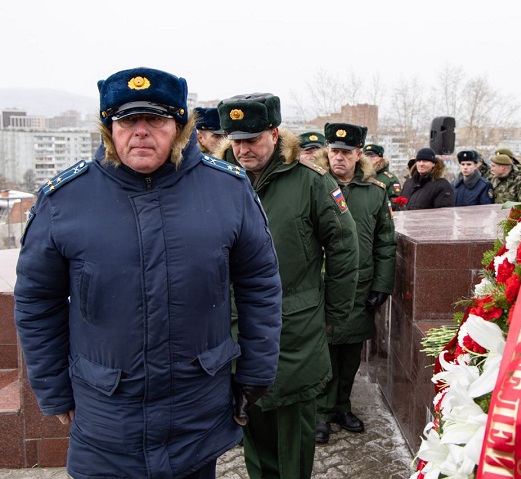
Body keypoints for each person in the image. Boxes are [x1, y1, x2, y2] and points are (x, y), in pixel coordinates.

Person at [13, 67, 283, 479]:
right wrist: (52, 389)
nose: (141, 132)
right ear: (110, 129)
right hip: (106, 418)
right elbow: (37, 301)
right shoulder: (65, 200)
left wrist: (256, 374)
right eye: (127, 121)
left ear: (179, 127)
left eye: (155, 120)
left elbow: (260, 286)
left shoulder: (228, 191)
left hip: (195, 414)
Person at [216, 93, 359, 478]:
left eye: (253, 139)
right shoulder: (218, 179)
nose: (243, 149)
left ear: (275, 134)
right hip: (234, 330)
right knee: (252, 431)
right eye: (236, 140)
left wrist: (333, 316)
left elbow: (344, 247)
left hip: (294, 330)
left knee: (293, 440)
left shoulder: (311, 181)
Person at [313, 124, 396, 444]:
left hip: (360, 285)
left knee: (350, 353)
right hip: (321, 284)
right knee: (323, 350)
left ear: (359, 154)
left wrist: (382, 285)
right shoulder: (315, 183)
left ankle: (341, 407)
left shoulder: (375, 191)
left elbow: (385, 242)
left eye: (346, 153)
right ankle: (320, 412)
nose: (339, 157)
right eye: (334, 151)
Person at [363, 143, 402, 208]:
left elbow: (395, 201)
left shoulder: (390, 179)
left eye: (372, 156)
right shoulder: (360, 176)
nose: (369, 159)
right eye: (366, 156)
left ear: (380, 158)